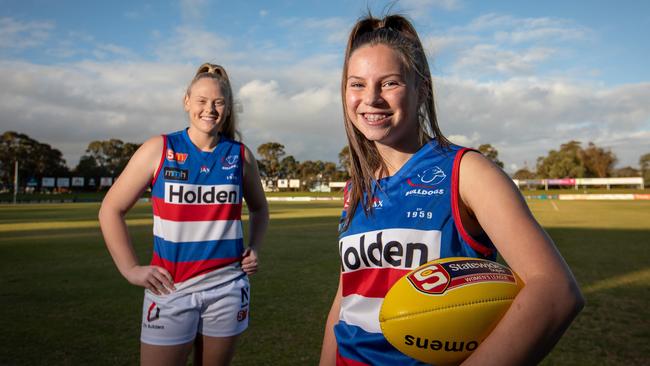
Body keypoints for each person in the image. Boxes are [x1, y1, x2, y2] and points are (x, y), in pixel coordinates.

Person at [319, 14, 584, 366]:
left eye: (389, 83)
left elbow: (554, 290)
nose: (371, 98)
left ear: (422, 88)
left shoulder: (466, 171)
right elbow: (347, 296)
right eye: (357, 84)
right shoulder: (356, 187)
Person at [99, 63, 269, 366]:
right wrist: (130, 269)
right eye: (202, 101)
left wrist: (254, 248)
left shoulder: (240, 155)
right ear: (186, 101)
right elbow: (111, 209)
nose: (210, 109)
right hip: (171, 289)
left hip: (227, 287)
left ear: (228, 108)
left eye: (218, 102)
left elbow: (259, 208)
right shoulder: (159, 148)